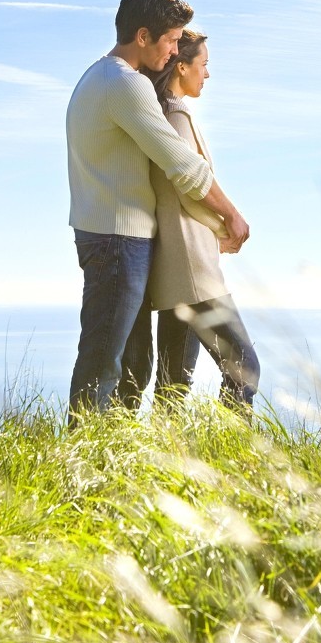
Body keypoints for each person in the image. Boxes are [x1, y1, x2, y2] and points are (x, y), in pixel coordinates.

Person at [65, 0, 249, 426]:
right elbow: (182, 164)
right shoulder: (125, 84)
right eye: (170, 40)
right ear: (143, 36)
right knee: (106, 362)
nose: (173, 51)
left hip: (110, 236)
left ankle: (116, 458)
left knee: (130, 365)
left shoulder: (97, 76)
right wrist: (230, 215)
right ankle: (83, 462)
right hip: (118, 241)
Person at [122, 30, 260, 411]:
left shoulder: (162, 113)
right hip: (193, 268)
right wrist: (225, 226)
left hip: (174, 269)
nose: (208, 74)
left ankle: (175, 461)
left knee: (173, 386)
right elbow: (189, 187)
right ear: (181, 67)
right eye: (204, 65)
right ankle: (232, 457)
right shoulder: (176, 115)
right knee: (244, 367)